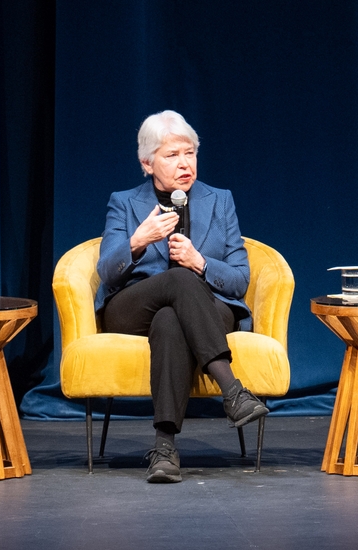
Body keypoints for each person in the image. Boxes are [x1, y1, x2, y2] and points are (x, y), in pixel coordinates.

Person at [95, 110, 268, 483]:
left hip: (207, 309)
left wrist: (200, 262)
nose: (184, 164)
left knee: (171, 317)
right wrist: (138, 240)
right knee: (177, 282)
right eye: (172, 155)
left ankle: (164, 449)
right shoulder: (124, 203)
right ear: (147, 163)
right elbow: (107, 273)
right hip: (132, 308)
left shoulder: (219, 200)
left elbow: (239, 281)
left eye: (189, 153)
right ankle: (232, 390)